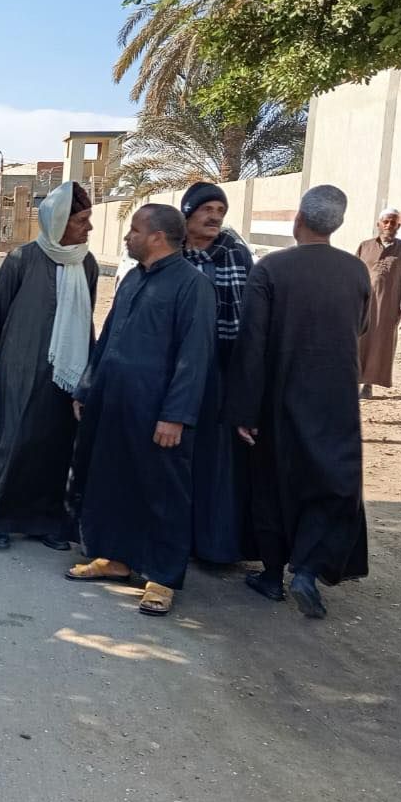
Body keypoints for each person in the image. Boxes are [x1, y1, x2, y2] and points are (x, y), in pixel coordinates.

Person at [227, 185, 371, 618]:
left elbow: (251, 343)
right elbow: (362, 326)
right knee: (330, 482)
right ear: (336, 225)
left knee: (273, 483)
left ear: (298, 220)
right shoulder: (356, 270)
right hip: (337, 396)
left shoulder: (271, 268)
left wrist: (245, 409)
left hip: (280, 394)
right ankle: (307, 570)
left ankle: (272, 576)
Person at [67, 204, 215, 617]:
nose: (127, 237)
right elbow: (108, 337)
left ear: (156, 237)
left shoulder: (193, 286)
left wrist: (176, 415)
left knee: (163, 493)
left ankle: (162, 578)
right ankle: (115, 559)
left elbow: (195, 356)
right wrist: (87, 387)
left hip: (158, 412)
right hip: (114, 403)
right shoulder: (132, 278)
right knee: (113, 482)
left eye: (134, 230)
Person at [0, 181, 98, 551]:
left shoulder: (87, 264)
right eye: (81, 220)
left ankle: (44, 522)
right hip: (20, 370)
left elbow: (87, 318)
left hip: (66, 375)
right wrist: (8, 365)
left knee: (55, 447)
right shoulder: (22, 259)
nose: (88, 228)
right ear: (59, 221)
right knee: (14, 442)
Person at [181, 181, 256, 564]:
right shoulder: (172, 253)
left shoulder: (236, 255)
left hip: (223, 372)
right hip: (179, 373)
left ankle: (214, 546)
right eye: (207, 209)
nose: (214, 217)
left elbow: (251, 320)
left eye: (220, 211)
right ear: (187, 213)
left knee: (217, 463)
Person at [356, 207, 401, 398]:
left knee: (379, 344)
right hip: (363, 304)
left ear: (398, 226)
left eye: (393, 222)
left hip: (388, 306)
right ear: (379, 224)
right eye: (386, 222)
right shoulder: (364, 246)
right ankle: (351, 381)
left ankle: (368, 384)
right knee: (357, 341)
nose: (389, 225)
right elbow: (353, 275)